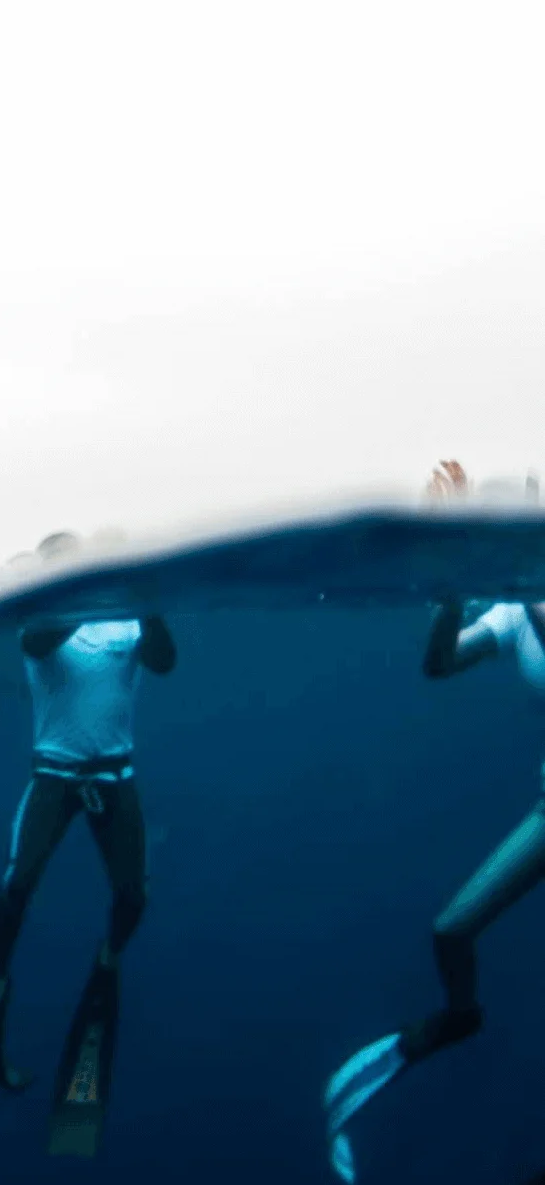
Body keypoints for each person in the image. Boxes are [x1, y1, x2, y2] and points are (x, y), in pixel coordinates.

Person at [322, 460, 545, 1182]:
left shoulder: (526, 598)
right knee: (449, 932)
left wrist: (505, 564)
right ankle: (459, 1017)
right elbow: (439, 664)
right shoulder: (511, 612)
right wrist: (449, 591)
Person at [0, 532, 176, 1151]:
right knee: (16, 888)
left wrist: (147, 602)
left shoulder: (125, 616)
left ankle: (107, 964)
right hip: (53, 775)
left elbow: (164, 660)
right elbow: (36, 641)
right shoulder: (43, 619)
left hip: (116, 774)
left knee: (133, 897)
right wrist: (78, 589)